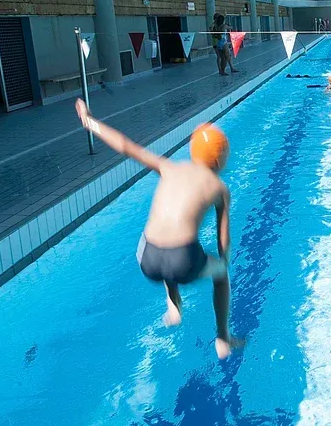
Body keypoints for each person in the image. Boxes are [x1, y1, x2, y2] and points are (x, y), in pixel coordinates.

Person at [74, 100, 244, 358]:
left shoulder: (169, 167)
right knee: (220, 273)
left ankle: (173, 304)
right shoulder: (220, 189)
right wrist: (224, 260)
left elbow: (125, 146)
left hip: (147, 257)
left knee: (165, 248)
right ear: (222, 160)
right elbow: (224, 241)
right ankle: (223, 338)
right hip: (182, 260)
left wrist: (89, 121)